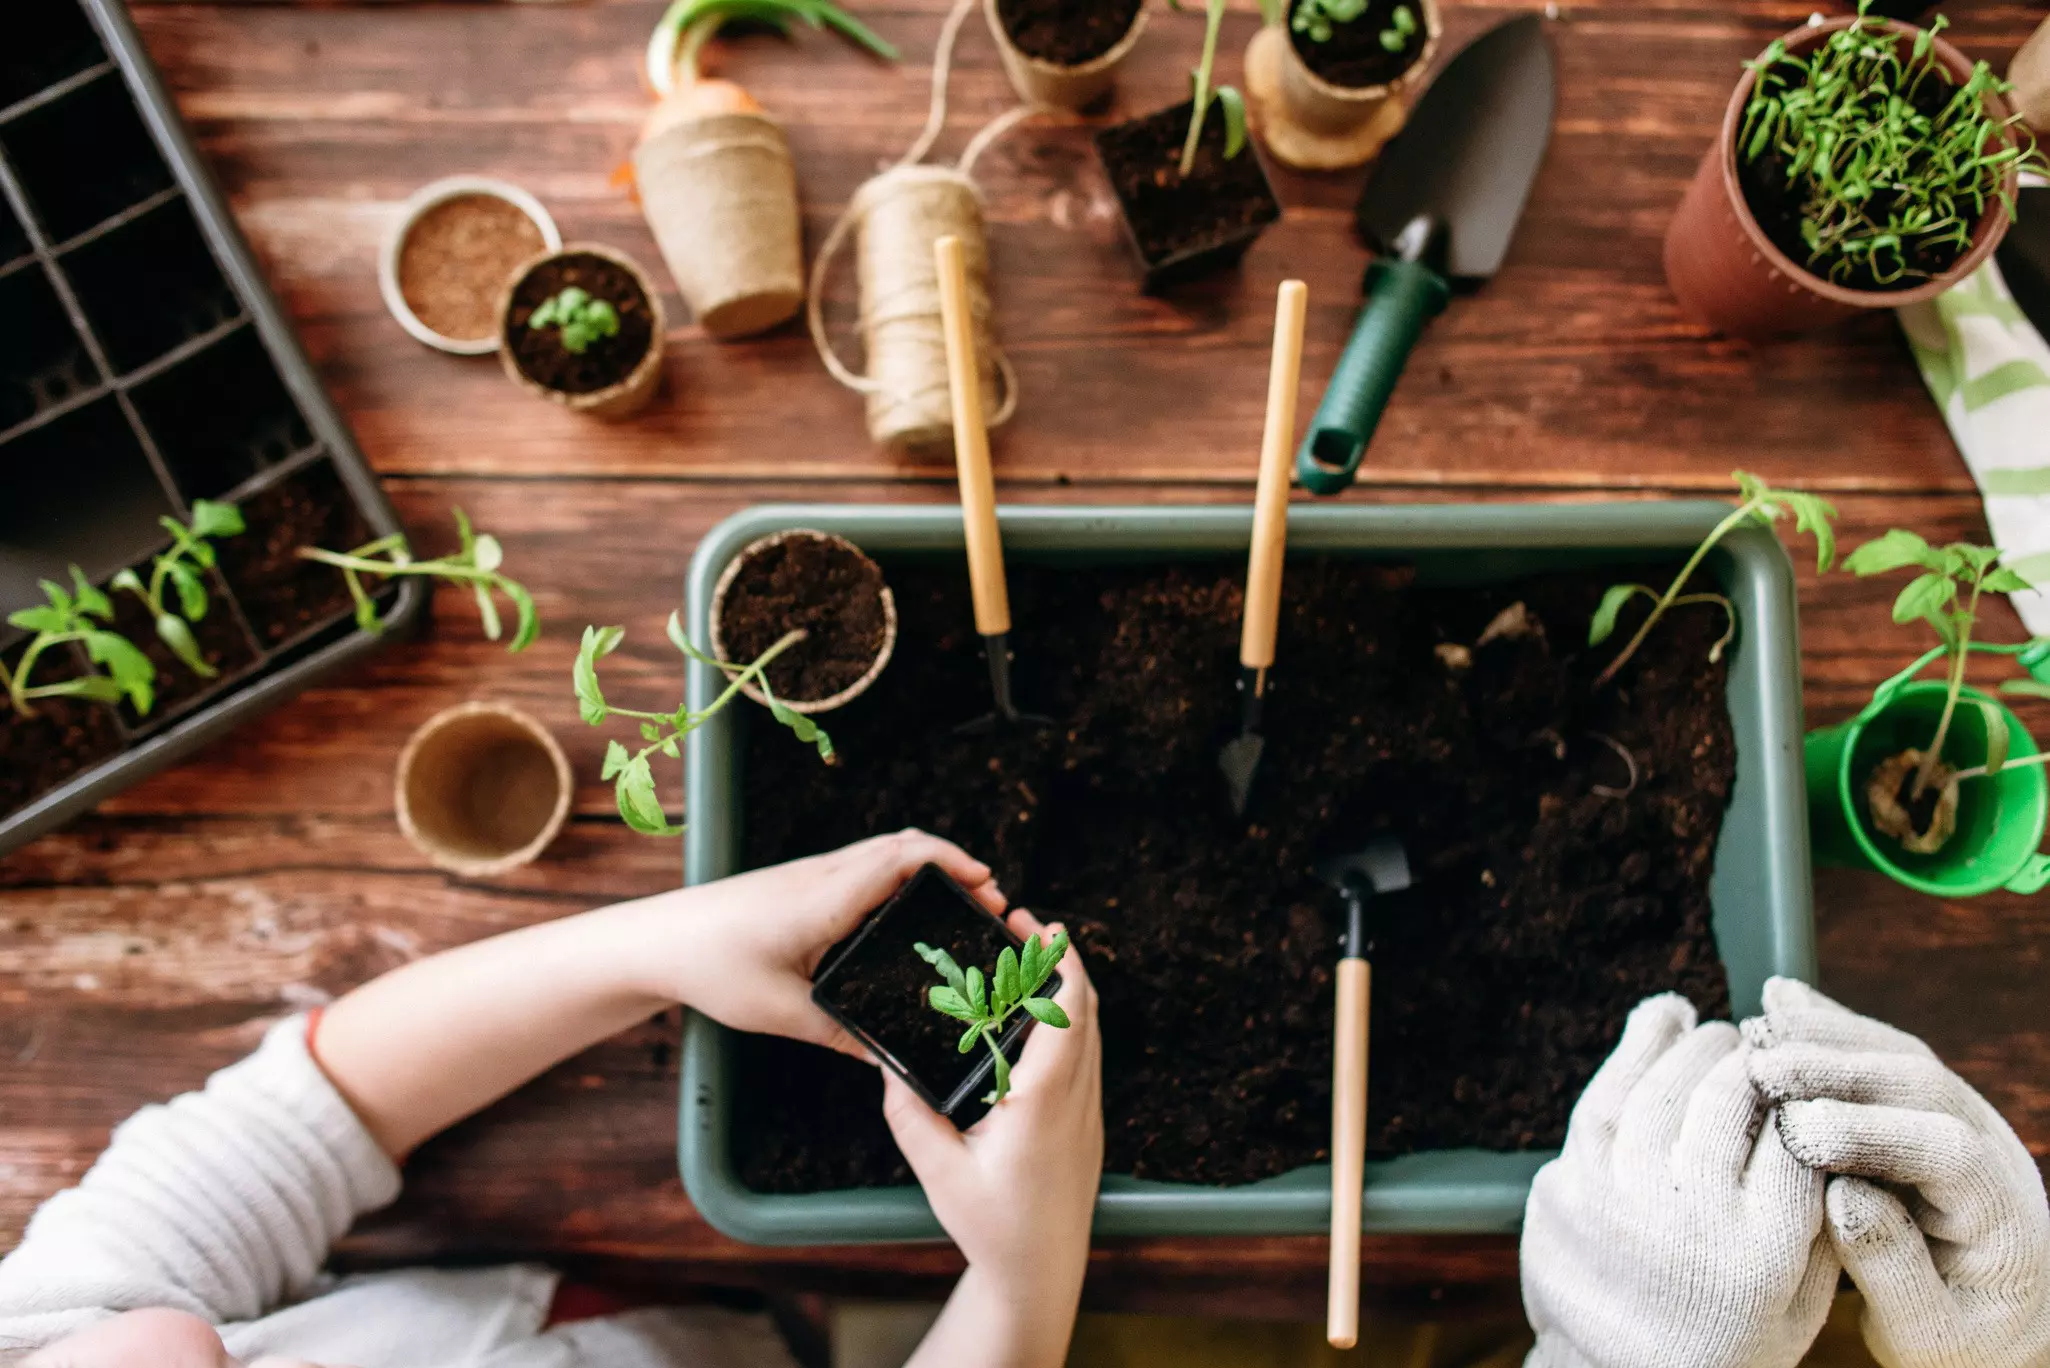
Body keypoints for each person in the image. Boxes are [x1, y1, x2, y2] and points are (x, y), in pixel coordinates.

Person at [0, 830, 1104, 1368]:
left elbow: (295, 1119)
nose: (138, 1342)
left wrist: (659, 946)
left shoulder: (38, 1333)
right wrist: (1025, 1275)